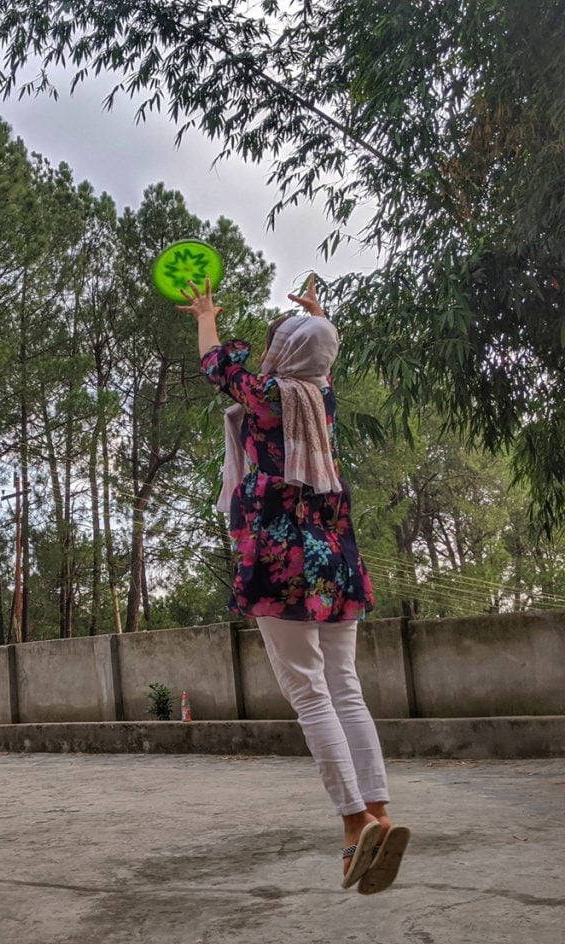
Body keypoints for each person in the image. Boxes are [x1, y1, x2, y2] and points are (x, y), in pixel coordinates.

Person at [179, 276, 410, 894]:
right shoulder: (321, 400)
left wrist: (206, 312)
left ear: (286, 354)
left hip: (279, 558)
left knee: (307, 692)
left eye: (278, 340)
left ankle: (353, 820)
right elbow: (318, 353)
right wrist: (318, 316)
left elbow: (215, 364)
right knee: (344, 687)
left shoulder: (268, 397)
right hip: (333, 555)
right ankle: (381, 811)